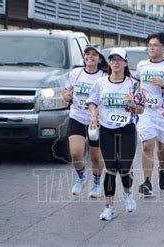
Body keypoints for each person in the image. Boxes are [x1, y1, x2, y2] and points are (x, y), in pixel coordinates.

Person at [87, 48, 146, 221]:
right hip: (107, 130)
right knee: (111, 168)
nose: (116, 62)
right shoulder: (100, 83)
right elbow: (92, 101)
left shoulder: (134, 84)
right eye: (113, 59)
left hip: (126, 129)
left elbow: (141, 110)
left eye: (119, 59)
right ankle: (109, 207)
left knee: (125, 167)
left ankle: (128, 195)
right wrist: (93, 114)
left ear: (125, 63)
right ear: (109, 62)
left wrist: (133, 104)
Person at [134, 32, 164, 195]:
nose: (151, 48)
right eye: (150, 45)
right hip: (146, 112)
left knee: (162, 146)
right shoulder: (141, 66)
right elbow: (136, 84)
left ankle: (162, 169)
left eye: (155, 45)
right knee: (147, 145)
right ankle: (147, 182)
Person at [62, 45, 108, 198]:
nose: (90, 57)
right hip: (77, 116)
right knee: (75, 153)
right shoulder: (76, 73)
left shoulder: (103, 76)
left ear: (100, 59)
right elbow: (66, 91)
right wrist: (66, 95)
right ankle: (81, 177)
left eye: (94, 55)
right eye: (87, 54)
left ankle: (96, 182)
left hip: (96, 121)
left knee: (95, 157)